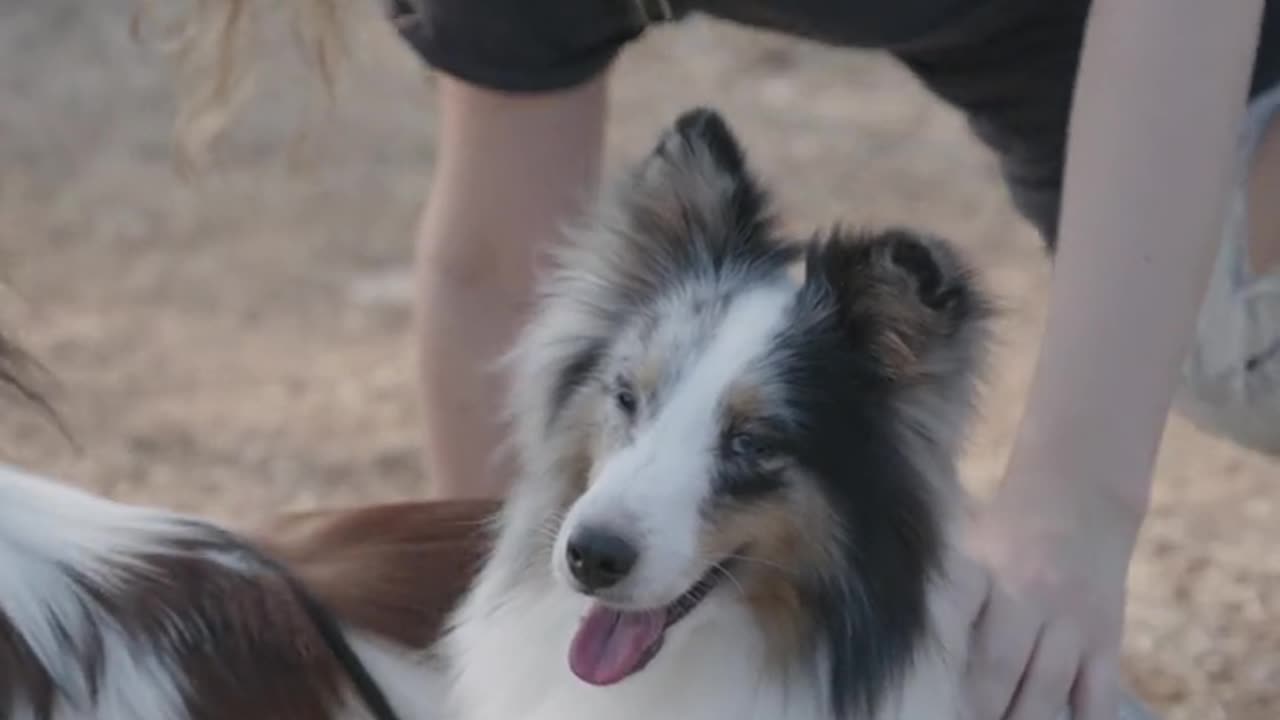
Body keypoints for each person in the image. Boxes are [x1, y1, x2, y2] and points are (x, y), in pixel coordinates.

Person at [159, 1, 1278, 718]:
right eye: (629, 405)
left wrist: (1072, 516)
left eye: (748, 450)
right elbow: (496, 270)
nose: (603, 521)